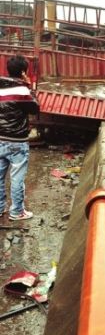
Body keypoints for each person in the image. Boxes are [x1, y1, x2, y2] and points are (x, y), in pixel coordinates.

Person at [0, 55, 39, 220]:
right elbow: (35, 109)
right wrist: (29, 87)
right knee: (17, 178)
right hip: (17, 142)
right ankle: (16, 212)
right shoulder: (23, 91)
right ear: (23, 72)